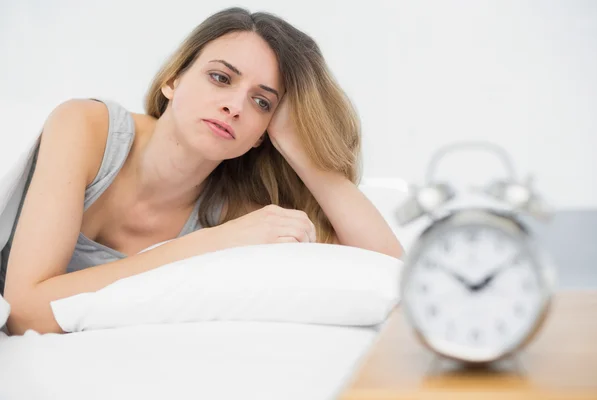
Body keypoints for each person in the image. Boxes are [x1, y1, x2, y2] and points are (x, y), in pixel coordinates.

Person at [2, 7, 403, 335]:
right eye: (220, 78)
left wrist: (303, 151)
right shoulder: (87, 128)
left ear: (264, 135)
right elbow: (21, 312)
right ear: (173, 80)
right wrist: (213, 243)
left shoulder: (238, 210)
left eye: (263, 102)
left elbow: (388, 275)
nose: (235, 106)